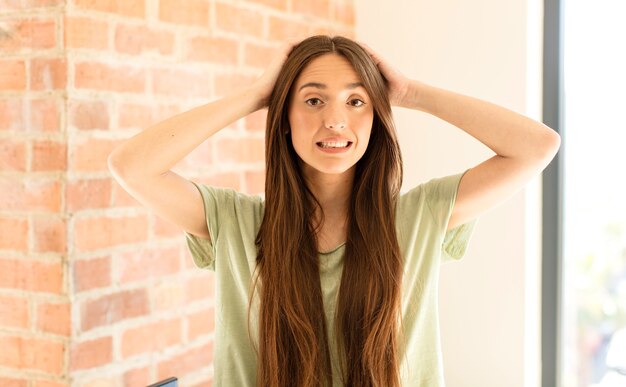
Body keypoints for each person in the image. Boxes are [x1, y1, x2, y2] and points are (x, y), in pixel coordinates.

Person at [108, 35, 560, 387]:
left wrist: (411, 92)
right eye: (312, 100)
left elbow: (538, 146)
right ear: (284, 117)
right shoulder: (236, 224)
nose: (335, 120)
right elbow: (131, 167)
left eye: (356, 101)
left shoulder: (419, 218)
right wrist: (257, 94)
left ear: (376, 118)